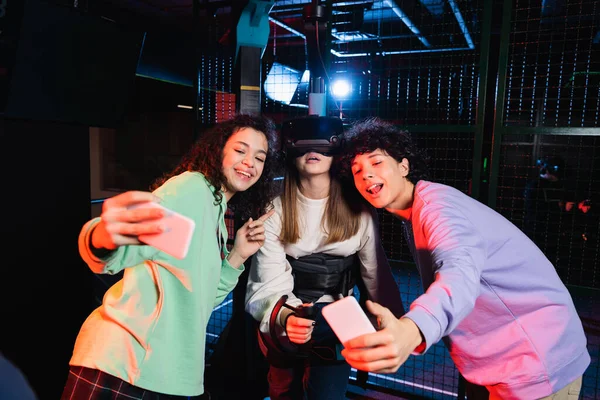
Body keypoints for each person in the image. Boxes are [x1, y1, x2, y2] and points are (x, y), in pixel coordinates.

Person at [337, 117, 590, 400]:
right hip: (500, 366)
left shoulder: (438, 208)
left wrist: (412, 329)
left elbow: (458, 273)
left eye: (376, 162)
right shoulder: (415, 212)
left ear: (404, 166)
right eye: (357, 170)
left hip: (537, 364)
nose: (366, 175)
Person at [60, 114, 282, 399]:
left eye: (260, 158)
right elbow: (121, 247)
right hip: (127, 364)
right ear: (218, 152)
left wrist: (237, 255)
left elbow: (202, 299)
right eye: (240, 150)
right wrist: (102, 236)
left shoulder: (214, 210)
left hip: (161, 374)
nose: (250, 162)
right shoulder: (192, 188)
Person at [244, 116, 404, 400]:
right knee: (282, 392)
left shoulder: (361, 211)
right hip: (286, 318)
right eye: (304, 148)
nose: (312, 153)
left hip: (339, 320)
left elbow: (374, 273)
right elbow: (267, 279)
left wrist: (393, 323)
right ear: (292, 154)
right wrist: (286, 317)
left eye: (321, 147)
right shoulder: (275, 210)